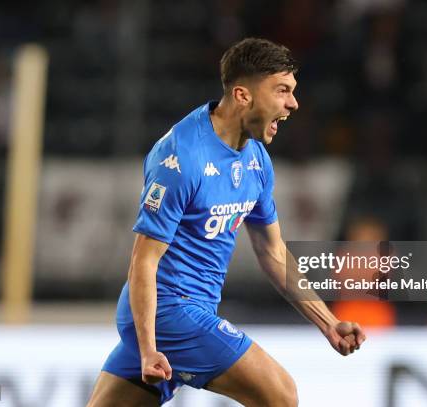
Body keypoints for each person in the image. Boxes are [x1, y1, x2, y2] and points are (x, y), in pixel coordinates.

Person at [87, 37, 366, 407]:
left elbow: (273, 252)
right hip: (169, 313)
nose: (293, 103)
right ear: (242, 95)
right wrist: (150, 347)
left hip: (191, 312)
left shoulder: (257, 161)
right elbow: (144, 260)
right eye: (282, 90)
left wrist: (328, 322)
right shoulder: (181, 158)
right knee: (281, 395)